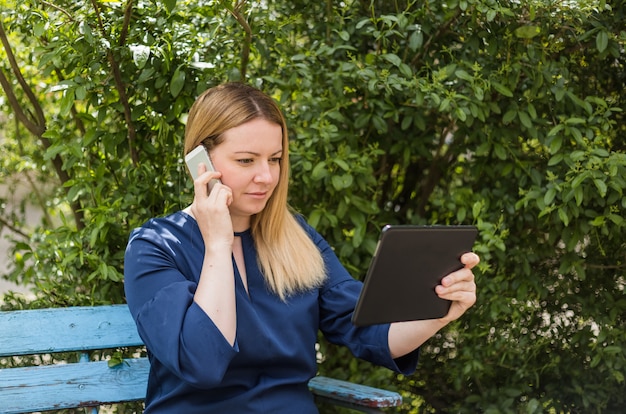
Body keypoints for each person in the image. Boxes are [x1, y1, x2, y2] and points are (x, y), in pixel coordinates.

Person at [123, 82, 479, 413]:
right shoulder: (156, 247)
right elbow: (202, 363)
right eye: (246, 160)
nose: (266, 177)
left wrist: (438, 312)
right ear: (200, 163)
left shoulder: (296, 239)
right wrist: (218, 244)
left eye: (275, 159)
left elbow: (367, 330)